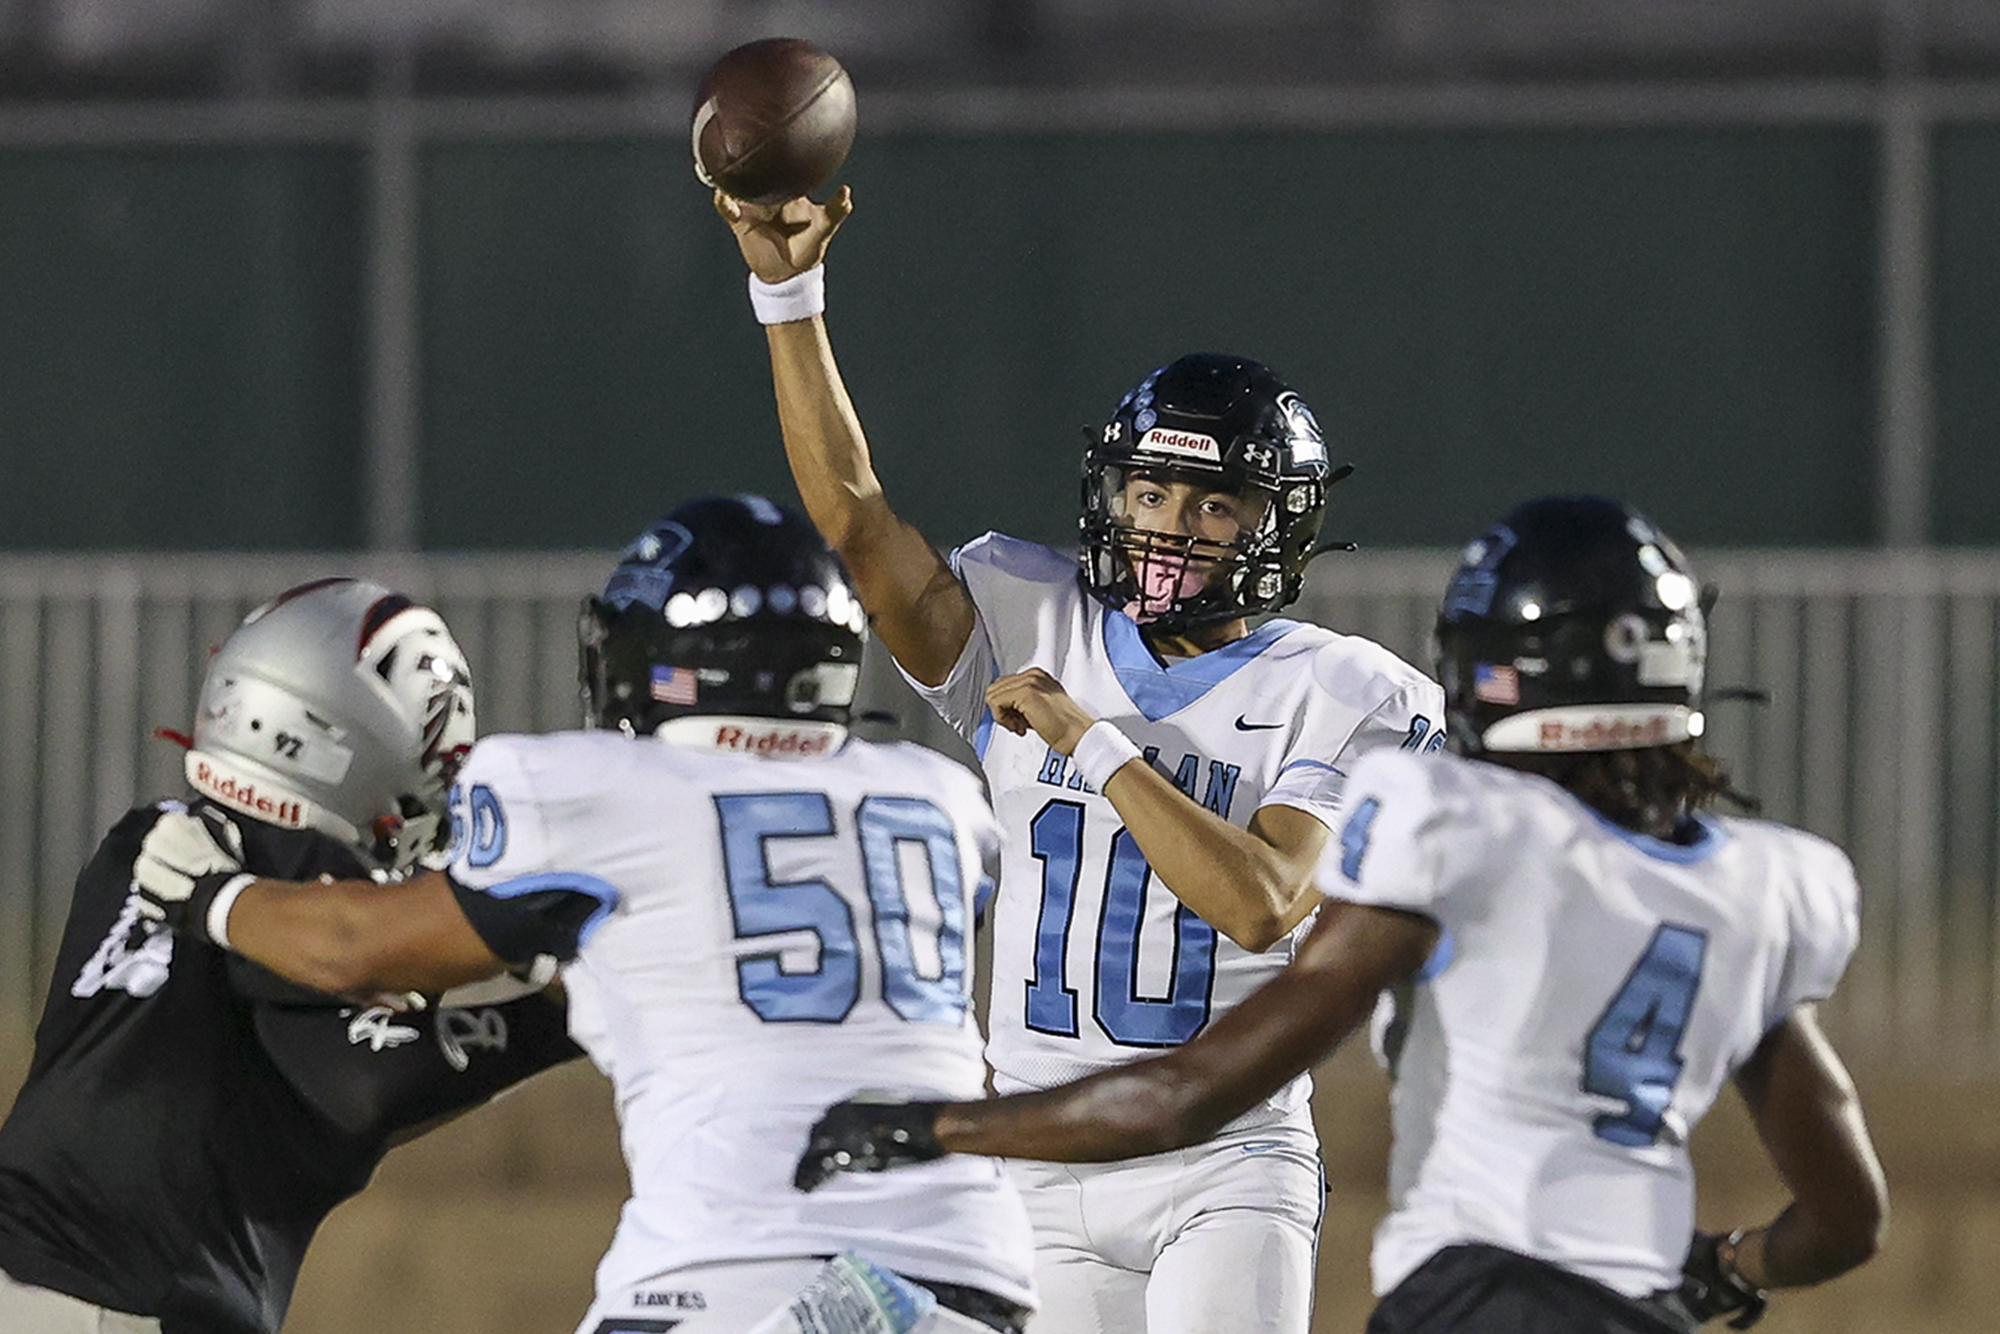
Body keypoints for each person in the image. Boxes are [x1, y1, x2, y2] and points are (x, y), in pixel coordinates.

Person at [796, 495, 1890, 1333]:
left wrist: (933, 1127)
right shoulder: (1767, 883)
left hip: (1467, 1291)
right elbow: (1846, 1219)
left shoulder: (1450, 820)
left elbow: (1188, 1093)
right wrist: (1726, 1267)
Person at [716, 189, 1446, 1334]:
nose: (1168, 526)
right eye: (1149, 491)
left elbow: (1261, 904)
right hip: (1039, 1146)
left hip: (1223, 1159)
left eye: (1212, 505)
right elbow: (857, 523)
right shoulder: (1028, 608)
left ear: (1276, 527)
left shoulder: (1348, 691)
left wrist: (1091, 741)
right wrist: (786, 293)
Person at [128, 496, 1038, 1334]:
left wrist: (211, 896)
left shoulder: (595, 789)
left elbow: (356, 951)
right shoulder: (939, 796)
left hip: (741, 1269)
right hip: (972, 1275)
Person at [0, 577, 580, 1334]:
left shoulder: (145, 842)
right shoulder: (305, 886)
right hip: (116, 1306)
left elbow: (317, 1088)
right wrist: (566, 1013)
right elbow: (361, 1078)